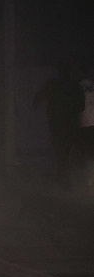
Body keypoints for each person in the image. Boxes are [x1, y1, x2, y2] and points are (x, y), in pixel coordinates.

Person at [33, 60, 85, 189]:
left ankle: (64, 179)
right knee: (65, 151)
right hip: (71, 124)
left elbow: (37, 98)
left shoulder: (53, 84)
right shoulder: (75, 86)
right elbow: (81, 106)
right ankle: (63, 177)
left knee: (60, 151)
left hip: (56, 123)